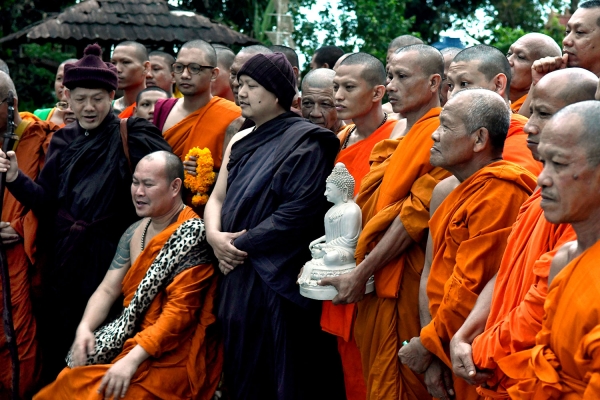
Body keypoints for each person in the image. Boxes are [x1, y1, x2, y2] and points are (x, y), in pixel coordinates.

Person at [0, 44, 171, 383]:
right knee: (62, 343)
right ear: (67, 96)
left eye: (97, 98)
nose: (88, 107)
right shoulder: (62, 141)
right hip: (64, 260)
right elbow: (46, 203)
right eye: (79, 99)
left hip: (114, 254)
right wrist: (16, 178)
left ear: (113, 95)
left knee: (107, 341)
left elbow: (165, 186)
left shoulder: (134, 134)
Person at [449, 68, 597, 399]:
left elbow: (536, 317)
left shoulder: (577, 217)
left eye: (542, 112)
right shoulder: (550, 209)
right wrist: (464, 335)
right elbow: (507, 272)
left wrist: (480, 350)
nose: (527, 123)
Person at [205, 52, 344, 399]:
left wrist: (237, 245)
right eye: (240, 85)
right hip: (233, 268)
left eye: (252, 86)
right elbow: (216, 197)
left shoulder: (307, 141)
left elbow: (297, 214)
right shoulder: (239, 138)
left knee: (277, 371)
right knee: (239, 365)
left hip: (273, 273)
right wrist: (213, 237)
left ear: (278, 93)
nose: (241, 92)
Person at [33, 151, 221, 400]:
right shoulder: (134, 231)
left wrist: (131, 362)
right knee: (66, 380)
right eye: (135, 182)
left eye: (148, 184)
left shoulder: (192, 234)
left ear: (175, 186)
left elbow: (178, 314)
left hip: (172, 351)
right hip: (131, 340)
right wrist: (85, 329)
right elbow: (108, 289)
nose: (138, 192)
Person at [320, 44, 450, 400]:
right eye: (390, 76)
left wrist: (362, 273)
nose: (391, 85)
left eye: (401, 77)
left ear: (433, 82)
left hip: (403, 281)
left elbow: (412, 217)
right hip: (371, 283)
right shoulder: (398, 138)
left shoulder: (440, 133)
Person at [399, 89, 537, 400]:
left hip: (475, 350)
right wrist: (432, 345)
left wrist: (428, 343)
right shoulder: (447, 190)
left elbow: (473, 284)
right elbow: (431, 274)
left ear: (479, 139)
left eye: (445, 126)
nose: (434, 135)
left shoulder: (500, 192)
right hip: (444, 339)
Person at [491, 100, 600, 398]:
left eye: (560, 165)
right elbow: (547, 363)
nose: (542, 179)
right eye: (544, 163)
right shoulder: (563, 261)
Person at [316, 52, 395, 400]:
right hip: (340, 266)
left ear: (377, 93)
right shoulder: (342, 137)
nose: (339, 95)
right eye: (336, 86)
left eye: (349, 87)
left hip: (374, 271)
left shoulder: (397, 138)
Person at [0, 72, 61, 398]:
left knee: (20, 343)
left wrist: (20, 227)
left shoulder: (45, 140)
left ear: (12, 105)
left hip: (21, 260)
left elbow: (52, 201)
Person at [447, 44, 542, 176]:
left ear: (498, 84)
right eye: (450, 86)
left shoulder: (521, 140)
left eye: (464, 84)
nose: (452, 95)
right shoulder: (452, 135)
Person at [153, 40, 240, 175]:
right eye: (179, 67)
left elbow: (238, 174)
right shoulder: (162, 109)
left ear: (213, 74)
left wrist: (209, 175)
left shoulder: (233, 115)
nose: (185, 75)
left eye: (194, 68)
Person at [223, 45, 273, 139]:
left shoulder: (294, 130)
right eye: (233, 74)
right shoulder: (235, 128)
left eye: (248, 78)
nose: (235, 83)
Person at [505, 33, 561, 114]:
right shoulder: (491, 98)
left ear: (543, 70)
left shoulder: (546, 110)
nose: (508, 61)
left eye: (520, 57)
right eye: (509, 54)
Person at [111, 41, 151, 118]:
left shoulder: (156, 109)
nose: (117, 69)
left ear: (146, 67)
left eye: (126, 62)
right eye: (113, 63)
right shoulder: (107, 109)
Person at [34, 58, 78, 126]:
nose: (62, 84)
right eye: (59, 78)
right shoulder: (40, 115)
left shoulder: (89, 119)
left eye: (69, 78)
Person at [300, 68, 344, 133]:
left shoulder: (352, 139)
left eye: (325, 104)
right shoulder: (293, 138)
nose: (315, 114)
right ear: (299, 103)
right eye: (308, 103)